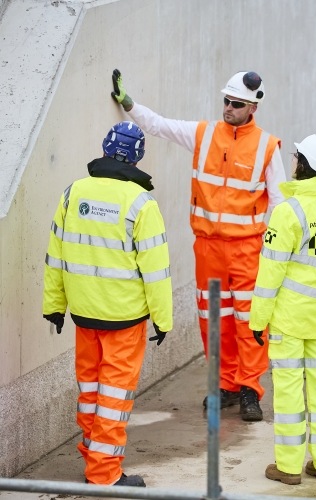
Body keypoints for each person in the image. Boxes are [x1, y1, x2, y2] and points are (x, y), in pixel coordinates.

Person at [110, 69, 285, 421]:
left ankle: (251, 388)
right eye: (226, 100)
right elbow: (159, 125)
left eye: (236, 104)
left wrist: (275, 250)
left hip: (248, 250)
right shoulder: (204, 134)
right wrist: (129, 104)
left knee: (250, 321)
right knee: (214, 319)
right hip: (207, 248)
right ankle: (225, 384)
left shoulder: (267, 146)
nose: (228, 108)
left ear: (253, 107)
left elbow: (280, 204)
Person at [43, 121, 172, 487]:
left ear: (104, 148)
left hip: (84, 316)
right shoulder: (142, 204)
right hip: (124, 320)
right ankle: (103, 474)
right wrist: (164, 320)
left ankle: (92, 459)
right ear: (137, 157)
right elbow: (156, 272)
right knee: (113, 397)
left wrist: (54, 305)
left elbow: (55, 255)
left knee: (91, 391)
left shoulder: (73, 193)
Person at [249, 134, 316, 484]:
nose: (292, 162)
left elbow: (270, 272)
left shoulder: (286, 212)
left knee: (290, 391)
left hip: (289, 321)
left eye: (296, 157)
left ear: (305, 165)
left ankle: (289, 467)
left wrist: (257, 319)